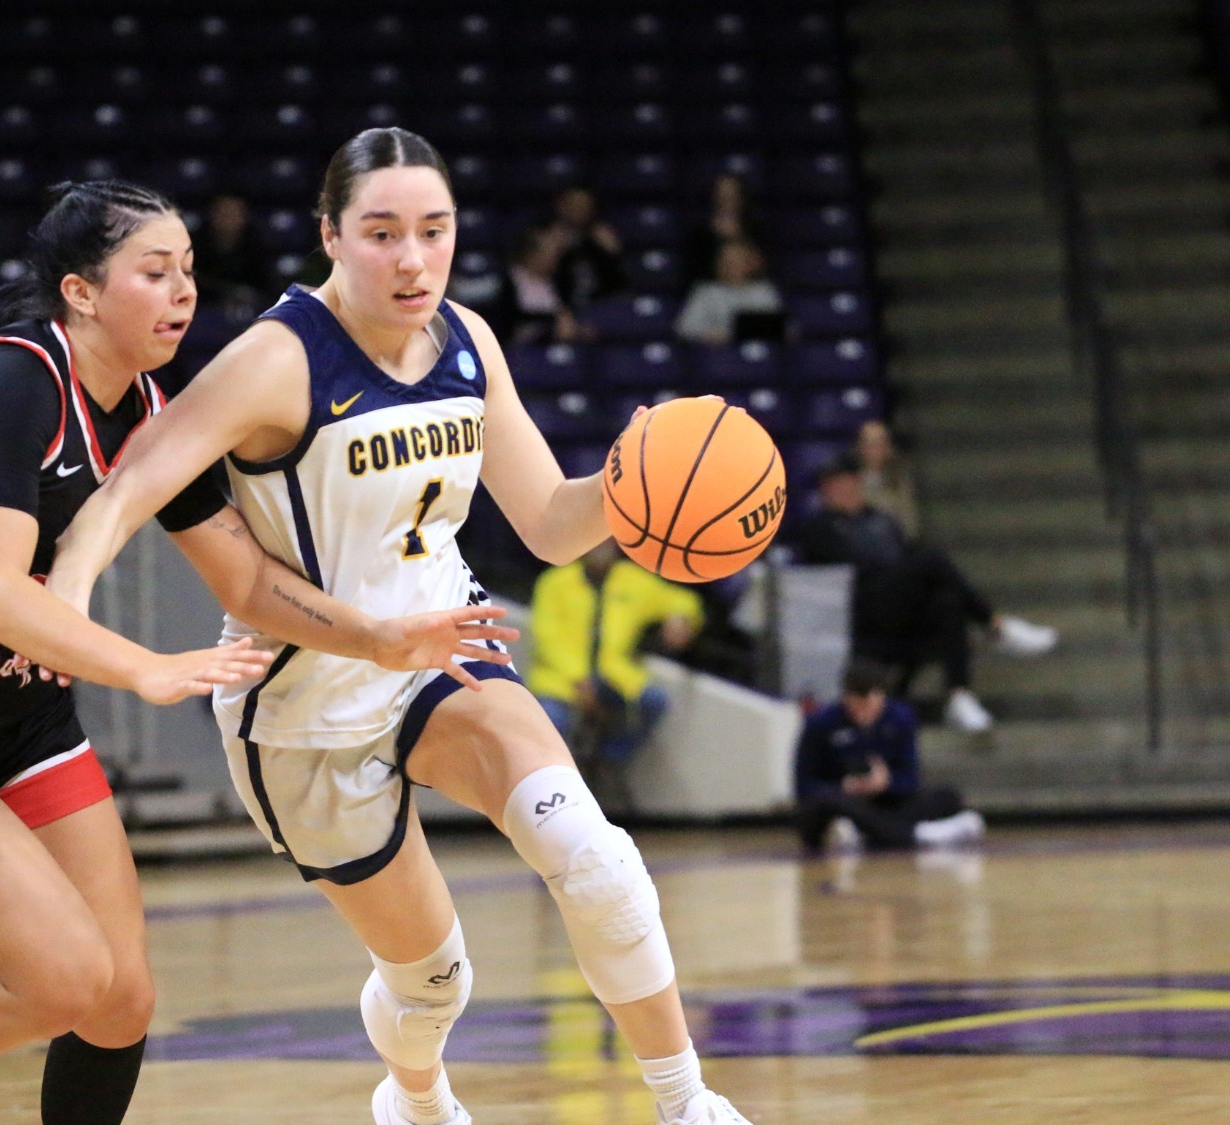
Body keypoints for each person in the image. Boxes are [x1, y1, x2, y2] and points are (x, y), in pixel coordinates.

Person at [51, 129, 759, 1125]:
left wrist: (628, 477)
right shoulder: (276, 359)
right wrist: (66, 592)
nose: (414, 259)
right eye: (382, 233)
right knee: (434, 983)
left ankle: (687, 1104)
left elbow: (549, 524)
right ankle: (415, 1098)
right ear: (330, 236)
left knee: (597, 860)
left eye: (435, 230)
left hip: (443, 657)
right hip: (303, 705)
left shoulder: (467, 340)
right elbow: (133, 484)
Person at [0, 180, 513, 1125]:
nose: (183, 293)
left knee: (122, 996)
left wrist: (377, 637)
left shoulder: (148, 411)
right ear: (82, 293)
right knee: (63, 977)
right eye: (156, 272)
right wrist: (146, 667)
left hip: (20, 713)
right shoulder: (9, 379)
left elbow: (246, 580)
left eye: (189, 271)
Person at [797, 455, 1057, 733]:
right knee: (932, 560)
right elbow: (851, 568)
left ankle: (959, 695)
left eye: (841, 482)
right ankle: (996, 627)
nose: (836, 489)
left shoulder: (882, 520)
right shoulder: (819, 527)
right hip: (860, 609)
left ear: (856, 482)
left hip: (902, 607)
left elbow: (901, 553)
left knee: (948, 602)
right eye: (829, 485)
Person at [527, 539, 703, 771]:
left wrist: (680, 617)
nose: (601, 546)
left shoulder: (633, 580)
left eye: (607, 541)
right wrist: (578, 678)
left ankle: (608, 761)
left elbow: (680, 599)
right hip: (561, 678)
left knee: (654, 701)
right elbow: (547, 638)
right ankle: (550, 774)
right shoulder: (555, 582)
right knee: (552, 719)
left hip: (612, 674)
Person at [794, 659, 982, 852]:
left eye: (870, 706)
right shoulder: (819, 723)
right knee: (828, 803)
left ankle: (868, 833)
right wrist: (844, 786)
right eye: (858, 706)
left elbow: (911, 779)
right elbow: (803, 786)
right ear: (846, 697)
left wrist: (886, 784)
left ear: (882, 697)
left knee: (947, 796)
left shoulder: (900, 718)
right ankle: (918, 834)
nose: (864, 713)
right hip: (842, 803)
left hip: (884, 803)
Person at [672, 240, 783, 347]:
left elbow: (779, 327)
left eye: (736, 261)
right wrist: (711, 336)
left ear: (749, 264)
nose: (730, 266)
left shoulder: (764, 290)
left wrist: (733, 334)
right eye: (725, 261)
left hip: (753, 352)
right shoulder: (705, 291)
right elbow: (684, 328)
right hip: (714, 354)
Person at [489, 225, 585, 346]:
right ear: (532, 253)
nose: (557, 258)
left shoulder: (561, 282)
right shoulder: (508, 280)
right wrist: (551, 322)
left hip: (559, 344)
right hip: (521, 347)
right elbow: (508, 321)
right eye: (552, 253)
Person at [192, 192, 277, 315]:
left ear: (244, 216)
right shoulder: (195, 247)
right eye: (222, 212)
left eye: (233, 213)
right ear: (211, 214)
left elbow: (266, 286)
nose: (227, 218)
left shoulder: (258, 247)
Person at [546, 185, 629, 310]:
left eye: (585, 206)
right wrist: (555, 249)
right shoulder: (546, 236)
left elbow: (619, 278)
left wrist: (613, 252)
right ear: (561, 206)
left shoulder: (602, 236)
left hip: (602, 305)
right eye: (575, 205)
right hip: (558, 304)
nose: (580, 211)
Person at [683, 174, 765, 285]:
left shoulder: (756, 229)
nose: (726, 199)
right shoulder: (700, 233)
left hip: (749, 289)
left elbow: (761, 265)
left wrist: (737, 237)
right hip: (712, 289)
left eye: (732, 194)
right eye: (722, 194)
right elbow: (694, 270)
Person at [856, 420, 920, 537]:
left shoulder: (901, 483)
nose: (871, 449)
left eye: (878, 443)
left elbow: (910, 525)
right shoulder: (847, 480)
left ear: (888, 448)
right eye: (866, 442)